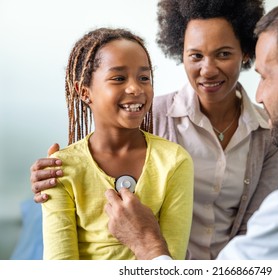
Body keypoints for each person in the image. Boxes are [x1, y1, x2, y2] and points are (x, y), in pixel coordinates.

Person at [104, 0, 278, 260]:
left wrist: (147, 243)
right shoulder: (148, 116)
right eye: (196, 56)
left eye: (265, 77)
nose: (261, 95)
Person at [29, 0, 278, 260]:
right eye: (196, 55)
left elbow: (256, 227)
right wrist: (50, 176)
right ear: (181, 54)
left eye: (223, 54)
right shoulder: (146, 113)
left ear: (244, 52)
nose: (208, 69)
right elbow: (98, 154)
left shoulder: (271, 131)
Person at [40, 27, 194, 260]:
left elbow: (170, 262)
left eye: (144, 78)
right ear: (84, 92)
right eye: (119, 78)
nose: (135, 88)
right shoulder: (60, 169)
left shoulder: (174, 161)